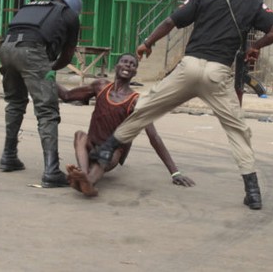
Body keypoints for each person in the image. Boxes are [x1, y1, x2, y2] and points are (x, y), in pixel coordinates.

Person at [94, 0, 273, 210]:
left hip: (188, 67)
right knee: (237, 130)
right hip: (218, 74)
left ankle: (107, 149)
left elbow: (170, 22)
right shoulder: (252, 2)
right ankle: (253, 192)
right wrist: (255, 48)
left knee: (147, 107)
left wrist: (147, 43)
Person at [57, 53, 196, 197]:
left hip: (111, 153)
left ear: (135, 72)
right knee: (80, 135)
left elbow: (154, 137)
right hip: (91, 146)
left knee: (105, 156)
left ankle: (88, 182)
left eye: (132, 64)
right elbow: (67, 96)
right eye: (124, 61)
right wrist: (45, 74)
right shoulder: (100, 85)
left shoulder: (136, 101)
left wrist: (175, 172)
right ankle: (83, 175)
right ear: (116, 66)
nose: (128, 65)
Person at [0, 0, 82, 188]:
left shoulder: (30, 6)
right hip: (32, 52)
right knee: (47, 111)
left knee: (15, 103)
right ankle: (51, 171)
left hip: (6, 50)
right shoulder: (69, 14)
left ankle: (8, 156)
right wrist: (49, 70)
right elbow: (67, 56)